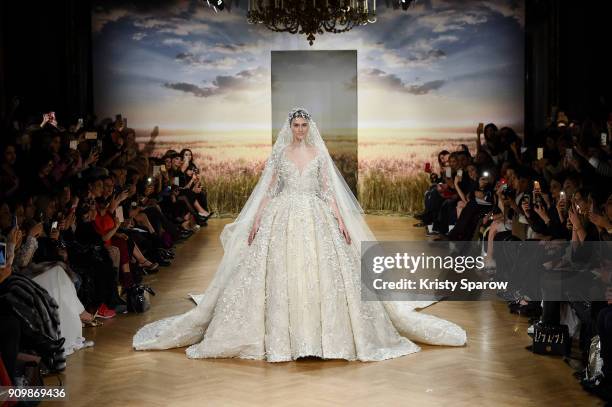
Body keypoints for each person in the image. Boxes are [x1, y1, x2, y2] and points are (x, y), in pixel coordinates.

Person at [133, 108, 466, 362]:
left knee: (321, 275)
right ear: (289, 127)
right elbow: (267, 191)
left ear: (310, 128)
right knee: (283, 275)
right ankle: (284, 341)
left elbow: (328, 192)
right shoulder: (280, 154)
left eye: (305, 125)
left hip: (315, 215)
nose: (300, 130)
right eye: (296, 125)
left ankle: (326, 340)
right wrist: (256, 221)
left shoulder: (319, 154)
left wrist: (340, 222)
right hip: (283, 214)